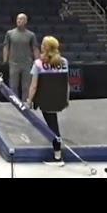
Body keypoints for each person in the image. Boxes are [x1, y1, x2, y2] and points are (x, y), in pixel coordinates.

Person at [26, 36, 69, 166]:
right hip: (59, 99)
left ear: (44, 47)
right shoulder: (64, 61)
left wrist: (29, 101)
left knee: (53, 127)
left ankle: (58, 157)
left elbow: (34, 86)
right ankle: (57, 154)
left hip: (45, 100)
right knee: (53, 123)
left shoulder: (38, 63)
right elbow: (66, 84)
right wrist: (66, 99)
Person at [3, 13, 39, 100]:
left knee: (26, 86)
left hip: (27, 63)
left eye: (21, 19)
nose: (19, 20)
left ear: (25, 21)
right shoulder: (10, 33)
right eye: (18, 19)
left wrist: (38, 61)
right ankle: (14, 102)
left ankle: (25, 103)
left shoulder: (31, 35)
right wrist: (5, 59)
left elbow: (35, 48)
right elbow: (6, 46)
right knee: (13, 86)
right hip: (13, 63)